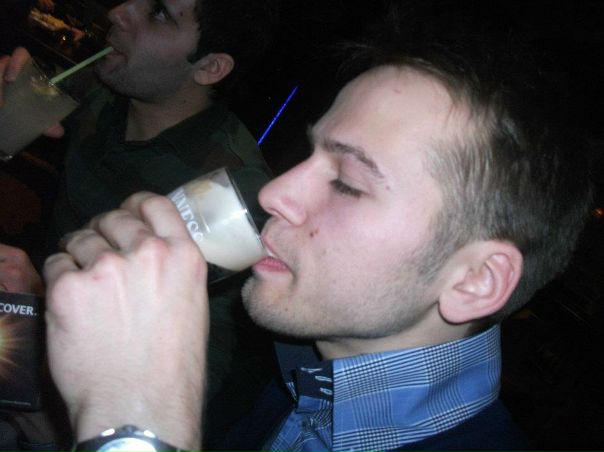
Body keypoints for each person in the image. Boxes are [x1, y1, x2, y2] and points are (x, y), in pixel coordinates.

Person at [41, 3, 593, 452]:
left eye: (348, 183)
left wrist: (139, 425)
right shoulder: (309, 382)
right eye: (309, 154)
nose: (273, 194)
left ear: (474, 280)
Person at [0, 0, 275, 447]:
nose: (117, 12)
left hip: (71, 411)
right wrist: (14, 81)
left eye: (159, 13)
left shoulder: (230, 196)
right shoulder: (102, 90)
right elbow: (31, 92)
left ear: (209, 67)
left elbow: (195, 376)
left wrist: (37, 304)